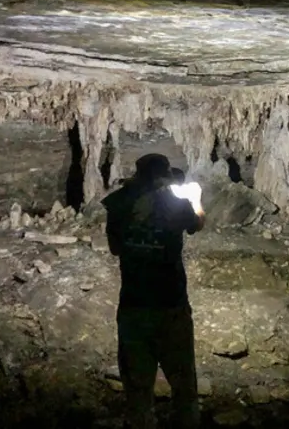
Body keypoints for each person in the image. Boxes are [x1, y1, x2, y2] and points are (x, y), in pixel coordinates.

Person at [101, 154, 206, 429]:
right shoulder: (175, 203)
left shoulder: (120, 202)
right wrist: (195, 199)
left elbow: (114, 248)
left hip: (134, 305)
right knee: (183, 380)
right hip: (171, 304)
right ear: (165, 174)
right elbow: (197, 224)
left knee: (136, 385)